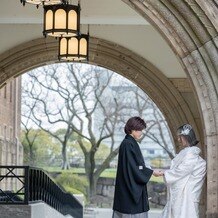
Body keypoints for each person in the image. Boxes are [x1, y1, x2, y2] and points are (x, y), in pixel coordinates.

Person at [113, 116, 162, 218]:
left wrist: (149, 170)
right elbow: (133, 168)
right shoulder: (128, 144)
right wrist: (151, 172)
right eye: (139, 130)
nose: (141, 133)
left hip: (127, 189)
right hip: (128, 192)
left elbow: (137, 166)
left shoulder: (130, 143)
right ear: (132, 129)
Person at [161, 124, 206, 218]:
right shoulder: (188, 154)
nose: (178, 140)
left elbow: (181, 171)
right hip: (185, 197)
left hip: (186, 198)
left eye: (180, 137)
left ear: (187, 137)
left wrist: (164, 173)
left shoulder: (191, 155)